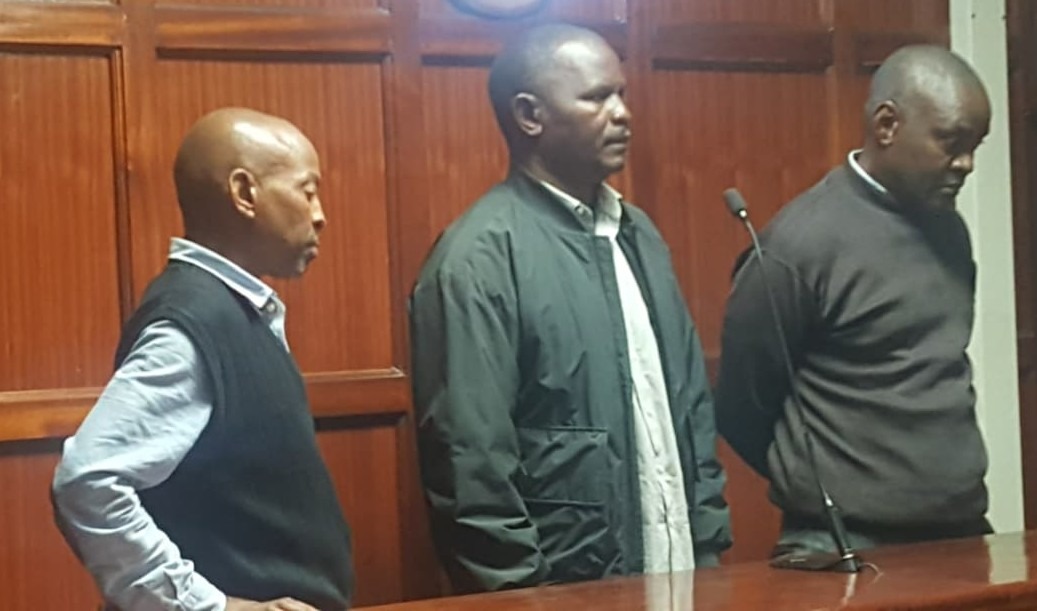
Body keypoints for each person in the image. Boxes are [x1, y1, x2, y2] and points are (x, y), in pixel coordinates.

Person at [409, 23, 731, 593]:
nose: (623, 112)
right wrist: (520, 595)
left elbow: (689, 413)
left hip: (678, 575)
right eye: (597, 97)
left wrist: (707, 550)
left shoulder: (639, 236)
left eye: (622, 94)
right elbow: (470, 465)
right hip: (564, 592)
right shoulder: (479, 257)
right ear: (530, 115)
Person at [52, 108, 353, 611]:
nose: (320, 213)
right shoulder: (193, 323)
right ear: (244, 193)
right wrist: (209, 607)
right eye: (306, 190)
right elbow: (87, 480)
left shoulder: (229, 310)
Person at [715, 45, 992, 556]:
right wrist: (823, 480)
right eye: (951, 142)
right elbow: (740, 405)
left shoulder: (949, 229)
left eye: (976, 145)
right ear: (887, 125)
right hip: (840, 542)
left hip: (961, 528)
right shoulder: (799, 245)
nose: (966, 164)